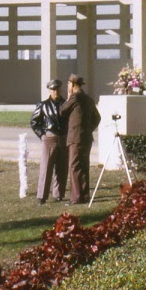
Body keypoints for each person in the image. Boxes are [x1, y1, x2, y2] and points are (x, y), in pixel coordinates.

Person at [60, 73, 101, 205]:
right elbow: (97, 118)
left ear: (72, 85)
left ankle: (76, 197)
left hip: (75, 138)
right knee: (84, 166)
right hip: (87, 138)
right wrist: (88, 129)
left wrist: (68, 97)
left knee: (74, 166)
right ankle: (84, 195)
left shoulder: (74, 98)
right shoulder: (88, 99)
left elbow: (62, 111)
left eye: (68, 84)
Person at [30, 79, 67, 204]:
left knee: (62, 167)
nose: (55, 91)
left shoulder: (66, 103)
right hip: (50, 137)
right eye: (53, 89)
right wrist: (42, 135)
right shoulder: (43, 105)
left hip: (63, 138)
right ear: (49, 90)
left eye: (57, 89)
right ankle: (42, 196)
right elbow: (34, 122)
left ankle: (59, 194)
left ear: (61, 89)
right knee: (46, 167)